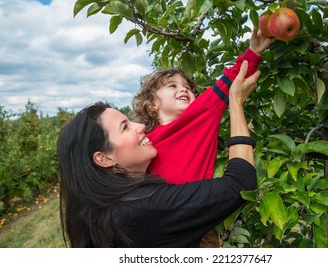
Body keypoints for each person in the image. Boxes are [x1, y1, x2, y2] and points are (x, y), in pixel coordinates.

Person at [58, 62, 260, 247]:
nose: (141, 126)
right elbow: (240, 184)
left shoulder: (105, 209)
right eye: (125, 127)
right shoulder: (147, 207)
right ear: (104, 158)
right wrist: (235, 102)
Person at [132, 28, 274, 184]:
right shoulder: (144, 139)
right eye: (172, 86)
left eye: (188, 87)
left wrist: (254, 51)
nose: (184, 89)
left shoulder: (201, 113)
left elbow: (231, 79)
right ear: (152, 104)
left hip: (199, 200)